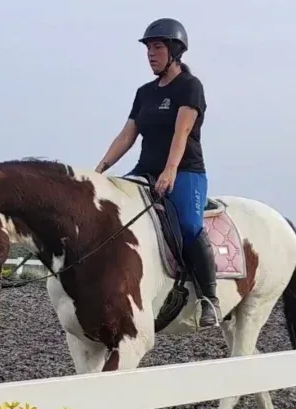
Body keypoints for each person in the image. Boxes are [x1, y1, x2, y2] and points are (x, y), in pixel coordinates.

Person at [94, 17, 222, 329]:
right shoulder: (144, 92)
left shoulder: (190, 87)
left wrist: (171, 171)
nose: (151, 54)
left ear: (175, 51)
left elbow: (183, 132)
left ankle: (209, 298)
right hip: (145, 170)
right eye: (148, 48)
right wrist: (100, 170)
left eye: (158, 47)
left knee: (190, 227)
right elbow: (127, 135)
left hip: (185, 171)